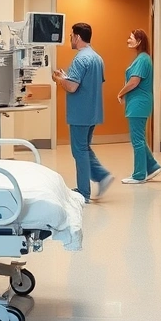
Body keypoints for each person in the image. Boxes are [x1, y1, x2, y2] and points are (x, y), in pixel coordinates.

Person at [52, 22, 112, 203]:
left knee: (79, 151)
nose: (70, 39)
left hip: (80, 113)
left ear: (77, 37)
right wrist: (66, 78)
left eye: (71, 36)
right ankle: (102, 176)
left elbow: (72, 86)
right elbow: (90, 83)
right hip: (92, 111)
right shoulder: (97, 58)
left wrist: (61, 79)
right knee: (84, 148)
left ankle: (84, 193)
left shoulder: (80, 59)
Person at [116, 29, 161, 184]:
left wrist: (120, 93)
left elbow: (134, 81)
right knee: (139, 138)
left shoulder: (142, 59)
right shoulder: (142, 58)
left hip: (139, 104)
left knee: (137, 139)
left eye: (131, 38)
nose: (128, 40)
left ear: (139, 41)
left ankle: (139, 174)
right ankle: (153, 166)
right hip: (138, 103)